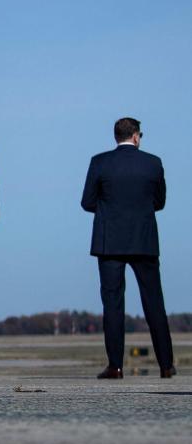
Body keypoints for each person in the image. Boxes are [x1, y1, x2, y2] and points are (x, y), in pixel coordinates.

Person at [80, 118, 175, 379]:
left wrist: (111, 212)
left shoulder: (99, 162)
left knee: (112, 304)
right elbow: (160, 202)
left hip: (109, 241)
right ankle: (166, 365)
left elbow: (87, 202)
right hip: (144, 240)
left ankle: (116, 366)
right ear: (135, 137)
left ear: (116, 136)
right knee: (154, 302)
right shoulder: (153, 163)